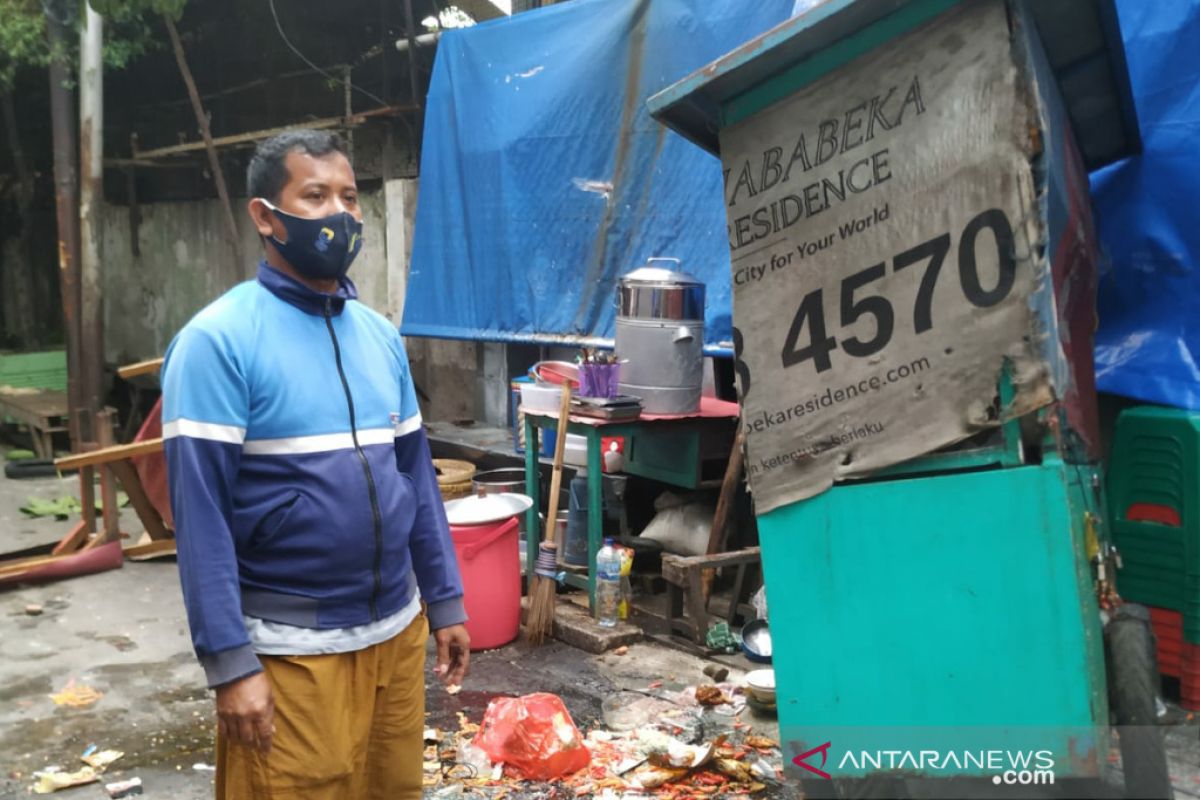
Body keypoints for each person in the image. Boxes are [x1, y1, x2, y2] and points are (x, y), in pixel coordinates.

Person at [161, 129, 470, 800]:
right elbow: (201, 518)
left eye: (350, 197)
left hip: (395, 634)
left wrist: (444, 601)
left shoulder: (379, 338)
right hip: (292, 649)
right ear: (265, 217)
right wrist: (229, 664)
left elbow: (415, 478)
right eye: (316, 195)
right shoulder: (217, 343)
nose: (340, 214)